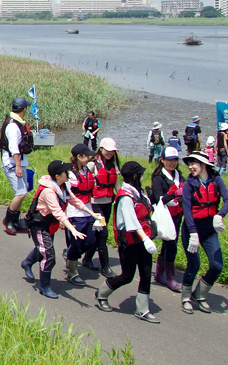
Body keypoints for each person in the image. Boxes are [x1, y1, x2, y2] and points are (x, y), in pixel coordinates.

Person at [94, 161, 161, 323]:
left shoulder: (139, 193)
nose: (144, 177)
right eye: (142, 174)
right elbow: (131, 222)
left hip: (143, 240)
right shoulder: (125, 196)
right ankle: (101, 294)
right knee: (127, 276)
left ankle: (142, 310)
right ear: (136, 176)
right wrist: (146, 239)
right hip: (130, 243)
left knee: (145, 275)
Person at [21, 160, 88, 299]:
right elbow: (58, 212)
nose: (68, 173)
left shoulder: (63, 187)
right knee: (49, 255)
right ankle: (44, 287)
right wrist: (73, 229)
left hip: (49, 224)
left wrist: (93, 214)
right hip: (39, 225)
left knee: (44, 248)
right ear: (58, 175)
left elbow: (75, 201)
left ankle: (27, 262)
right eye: (66, 172)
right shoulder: (48, 191)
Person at [180, 151, 228, 315]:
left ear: (203, 165)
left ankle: (199, 295)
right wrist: (193, 232)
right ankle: (186, 298)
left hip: (209, 229)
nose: (190, 167)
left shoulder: (216, 180)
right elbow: (187, 210)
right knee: (194, 264)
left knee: (217, 265)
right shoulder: (189, 185)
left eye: (193, 163)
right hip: (191, 228)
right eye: (189, 164)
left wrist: (220, 214)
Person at [61, 144, 101, 285]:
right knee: (76, 242)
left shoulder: (87, 170)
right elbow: (66, 196)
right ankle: (72, 271)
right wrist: (63, 217)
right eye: (86, 156)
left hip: (87, 211)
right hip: (74, 213)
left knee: (91, 241)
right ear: (79, 157)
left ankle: (70, 253)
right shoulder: (70, 174)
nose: (89, 158)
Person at [149, 146, 185, 292]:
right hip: (166, 215)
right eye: (169, 160)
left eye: (175, 160)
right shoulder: (158, 178)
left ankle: (159, 273)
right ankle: (170, 277)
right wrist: (174, 195)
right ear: (162, 160)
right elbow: (158, 199)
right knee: (171, 245)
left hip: (177, 214)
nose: (172, 163)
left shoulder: (179, 175)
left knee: (171, 242)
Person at [82, 137, 119, 279]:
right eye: (108, 150)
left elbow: (117, 185)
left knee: (98, 233)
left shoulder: (113, 165)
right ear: (101, 149)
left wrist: (122, 198)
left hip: (108, 202)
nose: (110, 153)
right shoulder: (92, 164)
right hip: (95, 203)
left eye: (112, 151)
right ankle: (105, 267)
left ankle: (87, 259)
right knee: (103, 234)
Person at [0, 97, 34, 235]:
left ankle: (16, 221)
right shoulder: (13, 126)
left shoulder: (18, 123)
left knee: (23, 192)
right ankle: (8, 220)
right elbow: (13, 148)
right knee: (21, 193)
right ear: (24, 109)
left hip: (20, 163)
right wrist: (18, 166)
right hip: (12, 164)